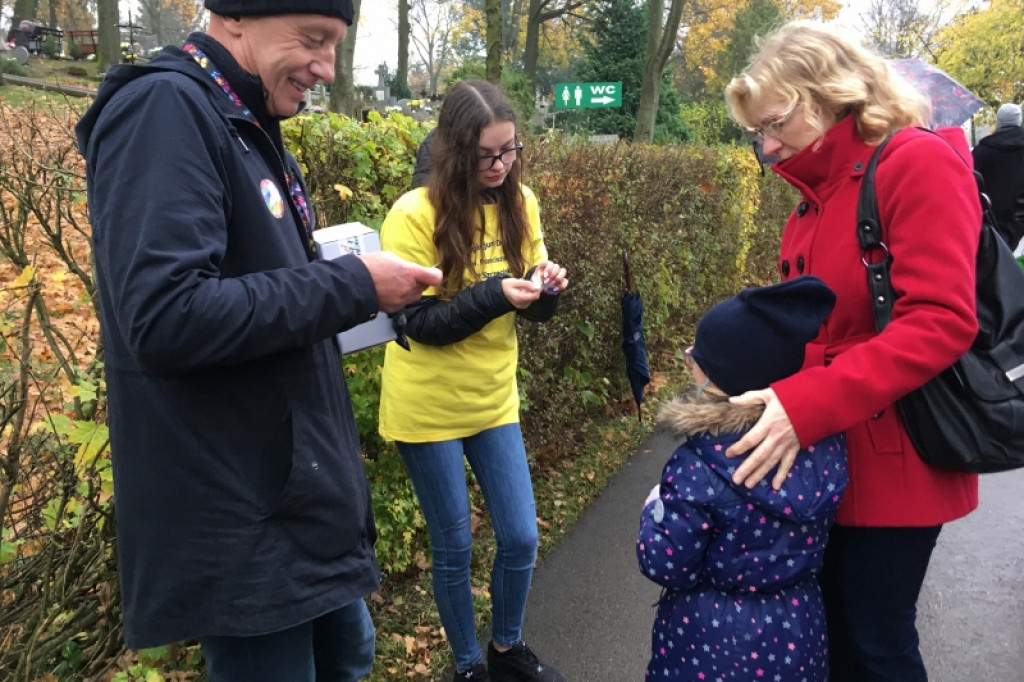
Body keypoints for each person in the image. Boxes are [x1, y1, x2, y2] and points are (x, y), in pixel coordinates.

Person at [74, 2, 442, 680]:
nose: (326, 68)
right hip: (244, 525)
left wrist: (347, 288)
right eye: (314, 40)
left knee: (350, 656)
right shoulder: (164, 110)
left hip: (299, 512)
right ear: (237, 17)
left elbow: (267, 294)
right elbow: (166, 316)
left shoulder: (243, 120)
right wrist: (352, 285)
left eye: (335, 46)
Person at [723, 20, 980, 682]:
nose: (767, 146)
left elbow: (941, 320)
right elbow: (812, 326)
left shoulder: (914, 163)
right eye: (757, 133)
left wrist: (805, 405)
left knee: (876, 645)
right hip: (827, 459)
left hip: (896, 459)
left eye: (774, 124)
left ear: (827, 95)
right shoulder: (810, 200)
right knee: (834, 640)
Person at [378, 80, 568, 682]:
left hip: (493, 398)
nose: (500, 165)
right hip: (426, 406)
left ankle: (506, 650)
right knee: (454, 546)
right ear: (456, 150)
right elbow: (419, 323)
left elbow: (529, 302)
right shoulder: (414, 214)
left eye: (510, 150)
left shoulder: (521, 203)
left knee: (520, 537)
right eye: (487, 155)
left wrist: (545, 292)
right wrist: (494, 294)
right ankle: (467, 667)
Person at [637, 275, 847, 682]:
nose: (688, 359)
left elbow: (666, 563)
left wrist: (653, 510)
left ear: (721, 376)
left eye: (695, 354)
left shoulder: (697, 466)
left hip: (708, 643)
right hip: (797, 631)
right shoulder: (826, 448)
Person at [972, 102, 1024, 251]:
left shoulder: (983, 150)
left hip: (993, 220)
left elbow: (972, 182)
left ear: (999, 121)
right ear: (1019, 120)